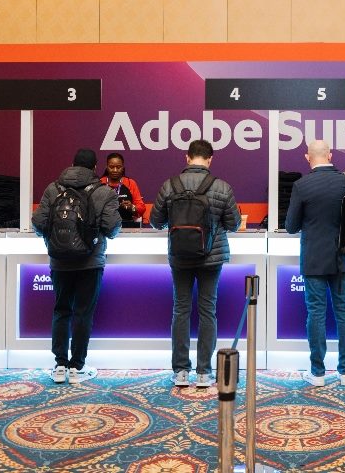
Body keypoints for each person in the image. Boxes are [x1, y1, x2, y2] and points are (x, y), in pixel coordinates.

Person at [150, 139, 240, 388]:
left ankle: (180, 371)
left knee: (181, 310)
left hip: (180, 256)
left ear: (186, 157)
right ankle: (204, 373)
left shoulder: (170, 185)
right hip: (211, 257)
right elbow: (233, 224)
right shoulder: (222, 187)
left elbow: (156, 221)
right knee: (207, 310)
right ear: (210, 159)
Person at [32, 148, 121, 385]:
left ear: (71, 164)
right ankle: (77, 367)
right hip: (90, 262)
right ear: (95, 168)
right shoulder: (104, 192)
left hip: (59, 261)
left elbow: (38, 223)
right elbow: (112, 229)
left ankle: (60, 365)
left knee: (61, 310)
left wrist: (55, 240)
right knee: (83, 313)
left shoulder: (53, 188)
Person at [285, 139, 345, 387]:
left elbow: (291, 227)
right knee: (344, 311)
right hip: (344, 257)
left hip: (314, 258)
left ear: (307, 157)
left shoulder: (302, 185)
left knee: (316, 313)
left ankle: (317, 373)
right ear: (330, 155)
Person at [100, 152, 146, 227]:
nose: (115, 170)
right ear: (107, 167)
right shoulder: (100, 183)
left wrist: (132, 207)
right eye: (111, 167)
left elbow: (142, 208)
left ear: (123, 167)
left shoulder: (130, 183)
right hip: (104, 226)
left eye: (118, 167)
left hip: (126, 225)